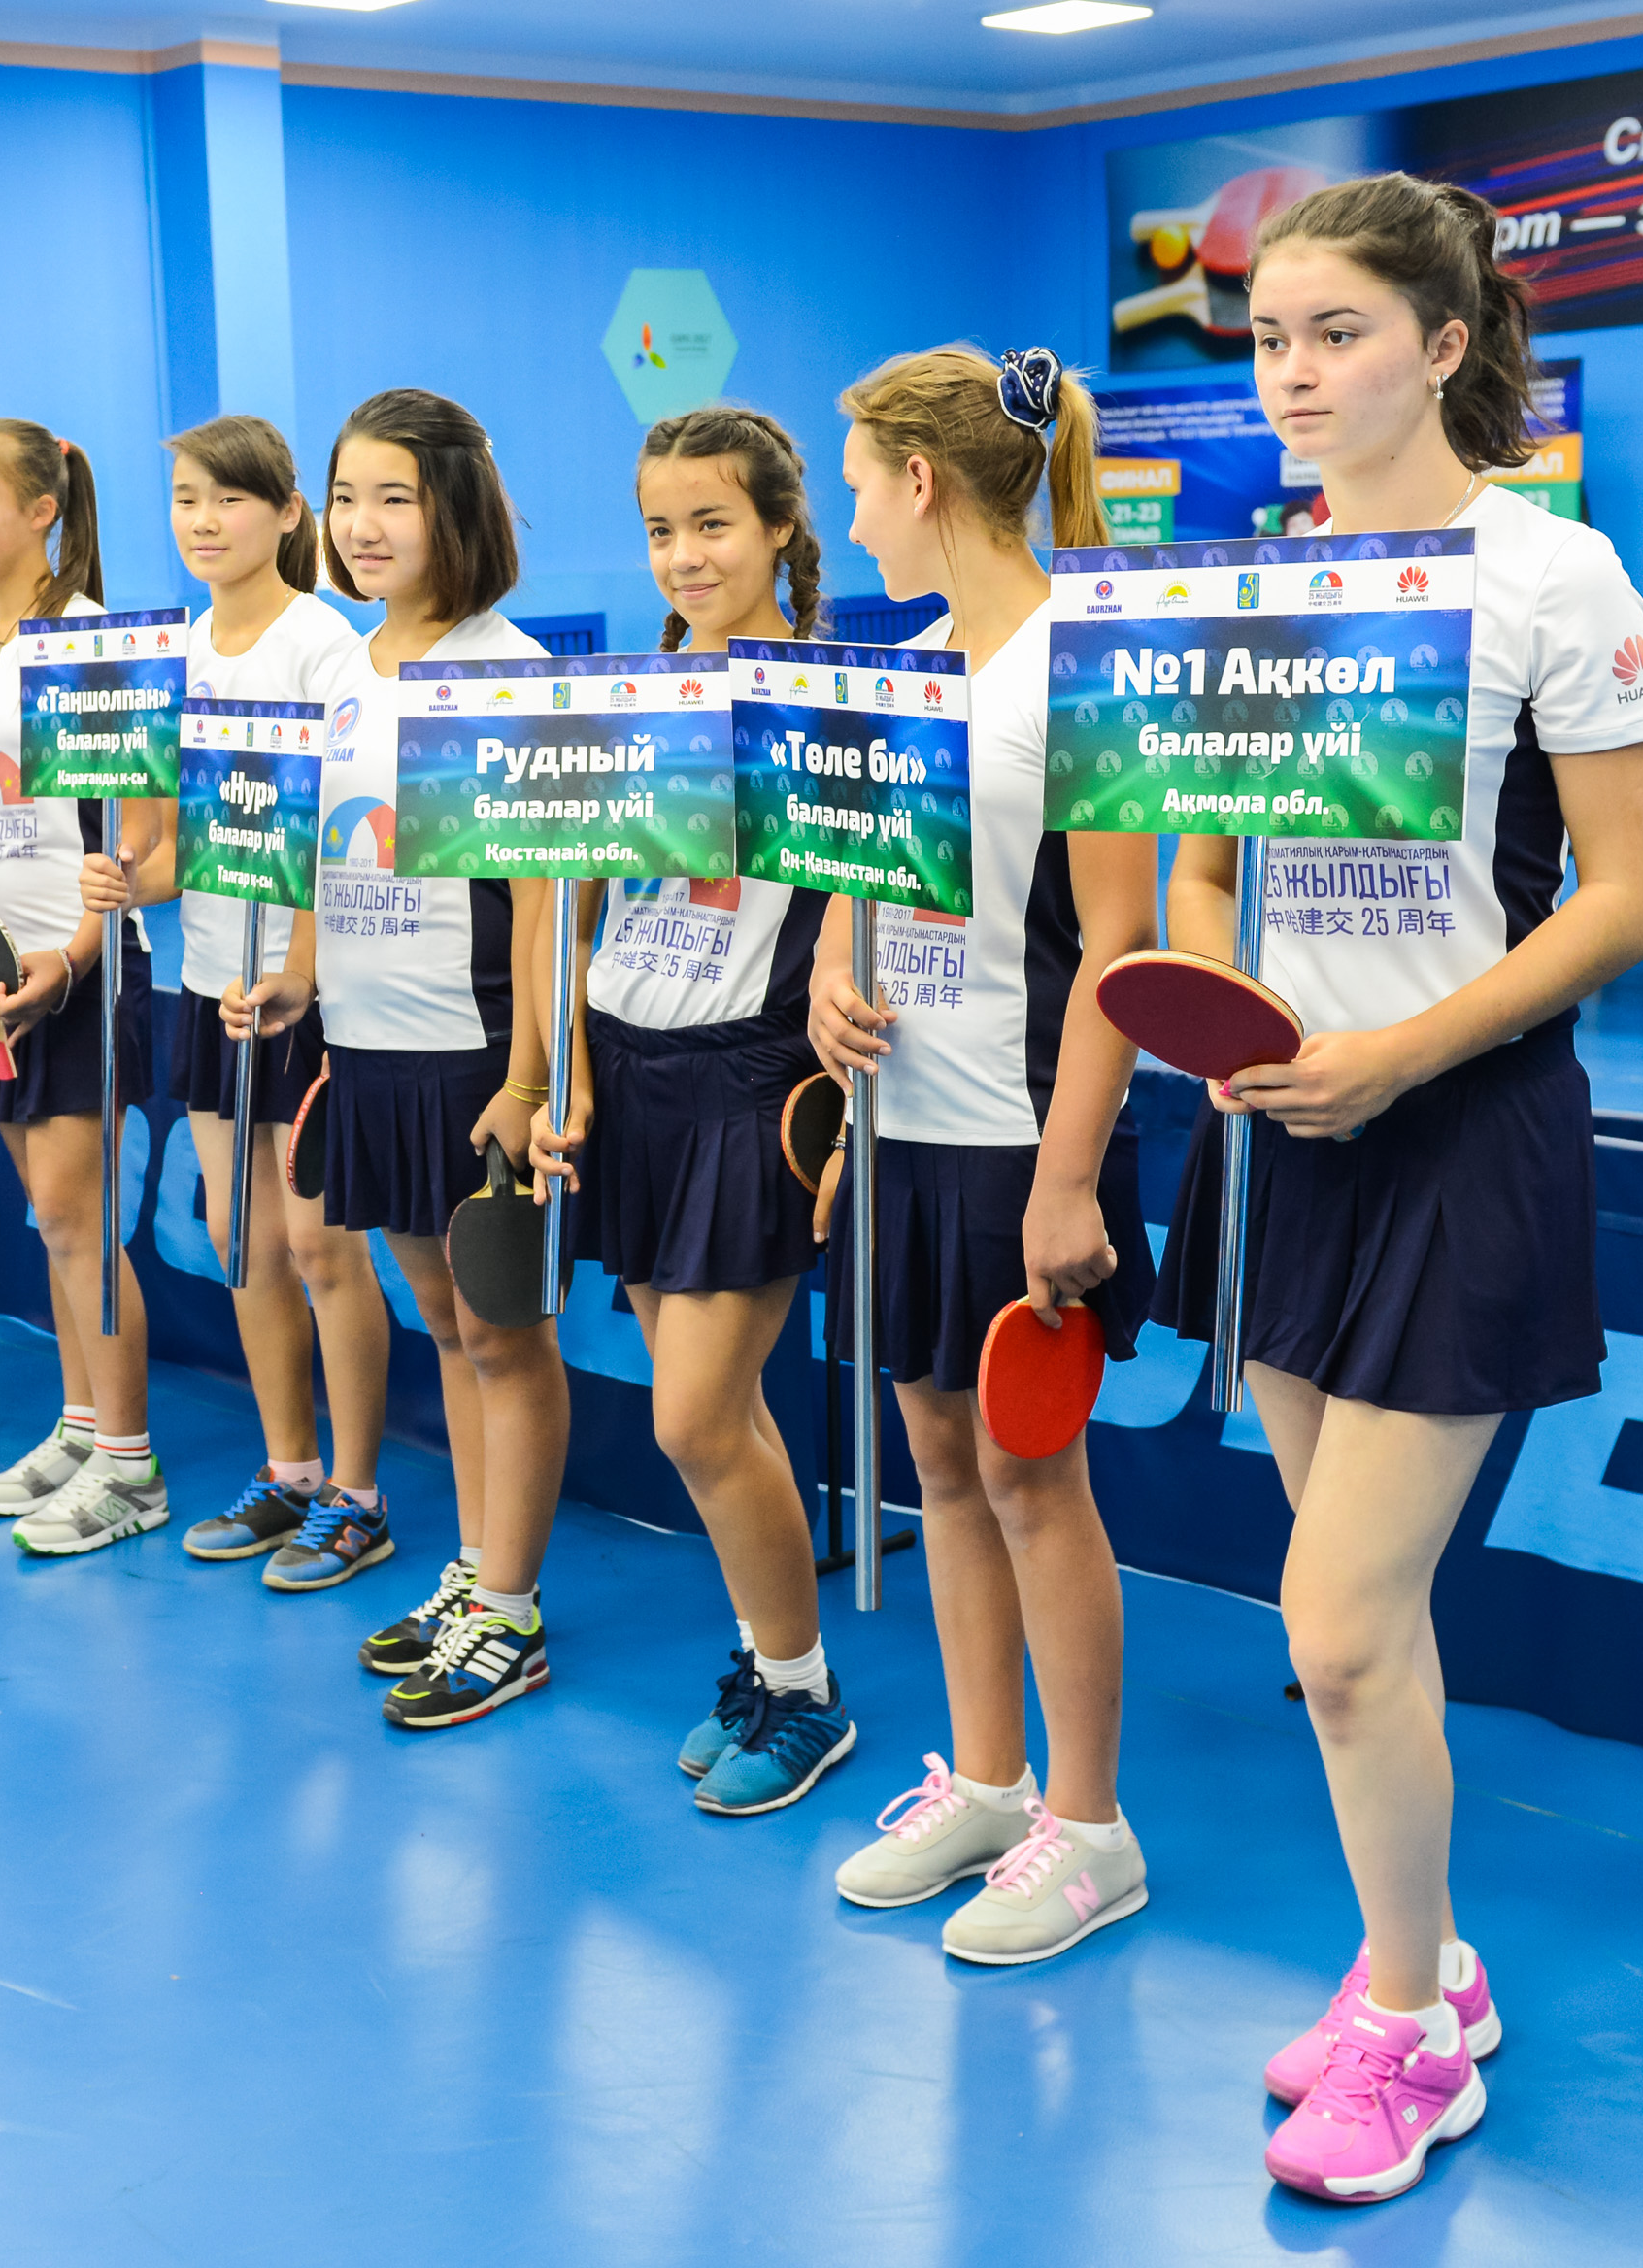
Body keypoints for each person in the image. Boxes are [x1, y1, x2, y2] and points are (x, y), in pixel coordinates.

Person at [1156, 176, 1643, 2205]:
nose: (1290, 372)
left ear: (1445, 346)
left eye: (1337, 333)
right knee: (1350, 1620)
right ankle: (1430, 1966)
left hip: (1463, 1137)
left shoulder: (1556, 576)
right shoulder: (1258, 583)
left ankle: (1407, 2027)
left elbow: (1630, 894)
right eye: (1269, 338)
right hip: (1290, 1140)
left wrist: (1399, 1054)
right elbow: (1204, 857)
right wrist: (1234, 1017)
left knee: (1343, 1624)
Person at [805, 346, 1162, 1955]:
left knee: (1031, 1476)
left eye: (858, 486)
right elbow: (852, 882)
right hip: (906, 1129)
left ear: (921, 480)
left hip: (1028, 1138)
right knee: (941, 1466)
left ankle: (1091, 1830)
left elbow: (1119, 945)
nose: (851, 521)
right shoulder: (906, 667)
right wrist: (826, 985)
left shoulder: (1087, 672)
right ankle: (994, 1787)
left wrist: (1071, 1177)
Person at [529, 405, 854, 1809]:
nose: (683, 554)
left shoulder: (833, 700)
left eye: (712, 524)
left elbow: (872, 906)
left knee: (695, 1420)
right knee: (717, 1421)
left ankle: (806, 1692)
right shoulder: (630, 695)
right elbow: (570, 893)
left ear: (780, 526)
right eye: (661, 530)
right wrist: (563, 1068)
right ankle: (773, 1665)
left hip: (748, 1083)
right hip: (632, 1071)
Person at [297, 389, 566, 1728]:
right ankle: (474, 1568)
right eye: (345, 496)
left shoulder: (500, 673)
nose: (362, 524)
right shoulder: (345, 668)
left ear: (455, 507)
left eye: (392, 497)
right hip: (373, 1051)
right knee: (448, 1329)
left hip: (473, 1060)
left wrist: (526, 1080)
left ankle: (509, 1612)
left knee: (505, 1337)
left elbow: (541, 905)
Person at [125, 415, 400, 1584]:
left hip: (302, 998)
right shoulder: (174, 651)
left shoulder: (324, 647)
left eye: (228, 499)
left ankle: (357, 1495)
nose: (202, 520)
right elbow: (173, 848)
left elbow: (339, 838)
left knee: (321, 1249)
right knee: (241, 1242)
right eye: (185, 497)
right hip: (205, 986)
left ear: (288, 514)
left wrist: (297, 969)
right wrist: (127, 876)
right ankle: (287, 1469)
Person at [0, 417, 164, 1555]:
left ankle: (130, 1467)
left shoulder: (93, 644)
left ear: (40, 510)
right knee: (51, 1223)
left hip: (76, 974)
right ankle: (82, 1423)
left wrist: (75, 959)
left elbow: (139, 837)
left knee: (74, 1219)